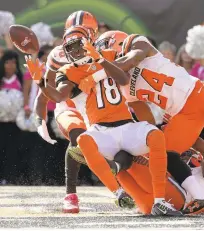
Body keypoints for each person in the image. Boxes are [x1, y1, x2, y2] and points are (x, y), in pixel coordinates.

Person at [26, 25, 182, 216]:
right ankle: (117, 193)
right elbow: (58, 97)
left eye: (78, 45)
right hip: (101, 131)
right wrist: (41, 82)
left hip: (126, 126)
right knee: (83, 141)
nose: (75, 51)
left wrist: (99, 62)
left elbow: (123, 79)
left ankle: (160, 202)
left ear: (90, 41)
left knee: (156, 135)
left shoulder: (108, 54)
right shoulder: (68, 71)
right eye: (70, 48)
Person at [31, 10, 99, 213]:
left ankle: (128, 187)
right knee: (77, 136)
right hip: (68, 105)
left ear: (93, 35)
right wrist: (39, 121)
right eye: (73, 33)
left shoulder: (103, 49)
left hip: (96, 105)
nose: (77, 39)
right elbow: (44, 94)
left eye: (84, 32)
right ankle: (71, 194)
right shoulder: (58, 55)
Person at [0, 50, 23, 184]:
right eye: (7, 62)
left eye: (14, 62)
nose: (10, 65)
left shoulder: (20, 80)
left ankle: (11, 177)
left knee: (12, 150)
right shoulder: (1, 80)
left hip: (15, 123)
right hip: (0, 122)